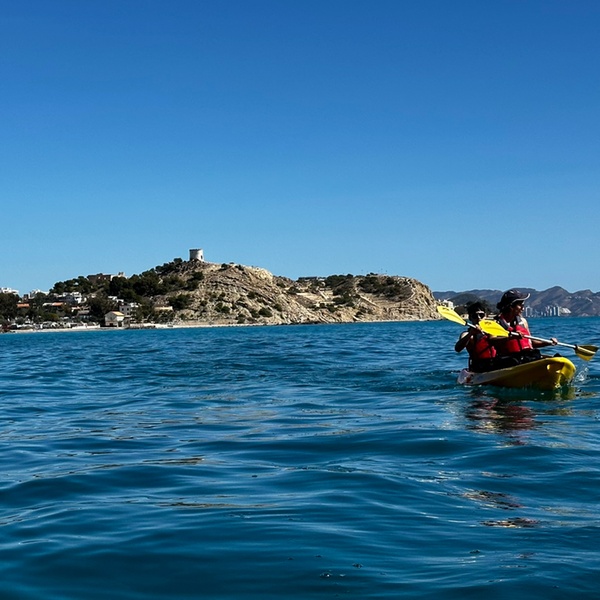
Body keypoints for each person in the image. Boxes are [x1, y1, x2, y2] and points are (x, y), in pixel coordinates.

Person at [494, 289, 557, 366]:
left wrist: (548, 343)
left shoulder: (523, 322)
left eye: (523, 305)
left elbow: (530, 342)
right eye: (520, 305)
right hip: (508, 361)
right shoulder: (496, 323)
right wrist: (510, 337)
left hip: (526, 357)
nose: (523, 308)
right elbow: (492, 341)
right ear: (511, 306)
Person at [455, 302, 499, 372]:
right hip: (478, 368)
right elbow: (457, 349)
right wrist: (471, 333)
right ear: (470, 318)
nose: (478, 318)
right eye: (475, 316)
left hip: (495, 365)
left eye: (481, 315)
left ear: (486, 316)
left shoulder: (493, 331)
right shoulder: (467, 334)